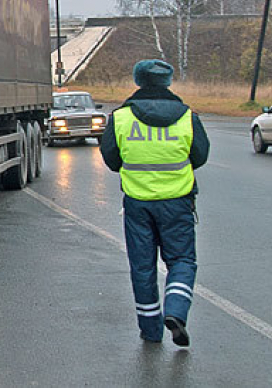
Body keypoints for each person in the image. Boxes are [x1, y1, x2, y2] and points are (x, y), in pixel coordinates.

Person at [99, 59, 210, 347]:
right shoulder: (187, 117)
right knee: (182, 260)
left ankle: (150, 331)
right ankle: (175, 311)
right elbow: (200, 156)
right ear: (167, 82)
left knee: (143, 267)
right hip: (177, 204)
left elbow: (111, 159)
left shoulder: (121, 118)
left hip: (138, 205)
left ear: (138, 81)